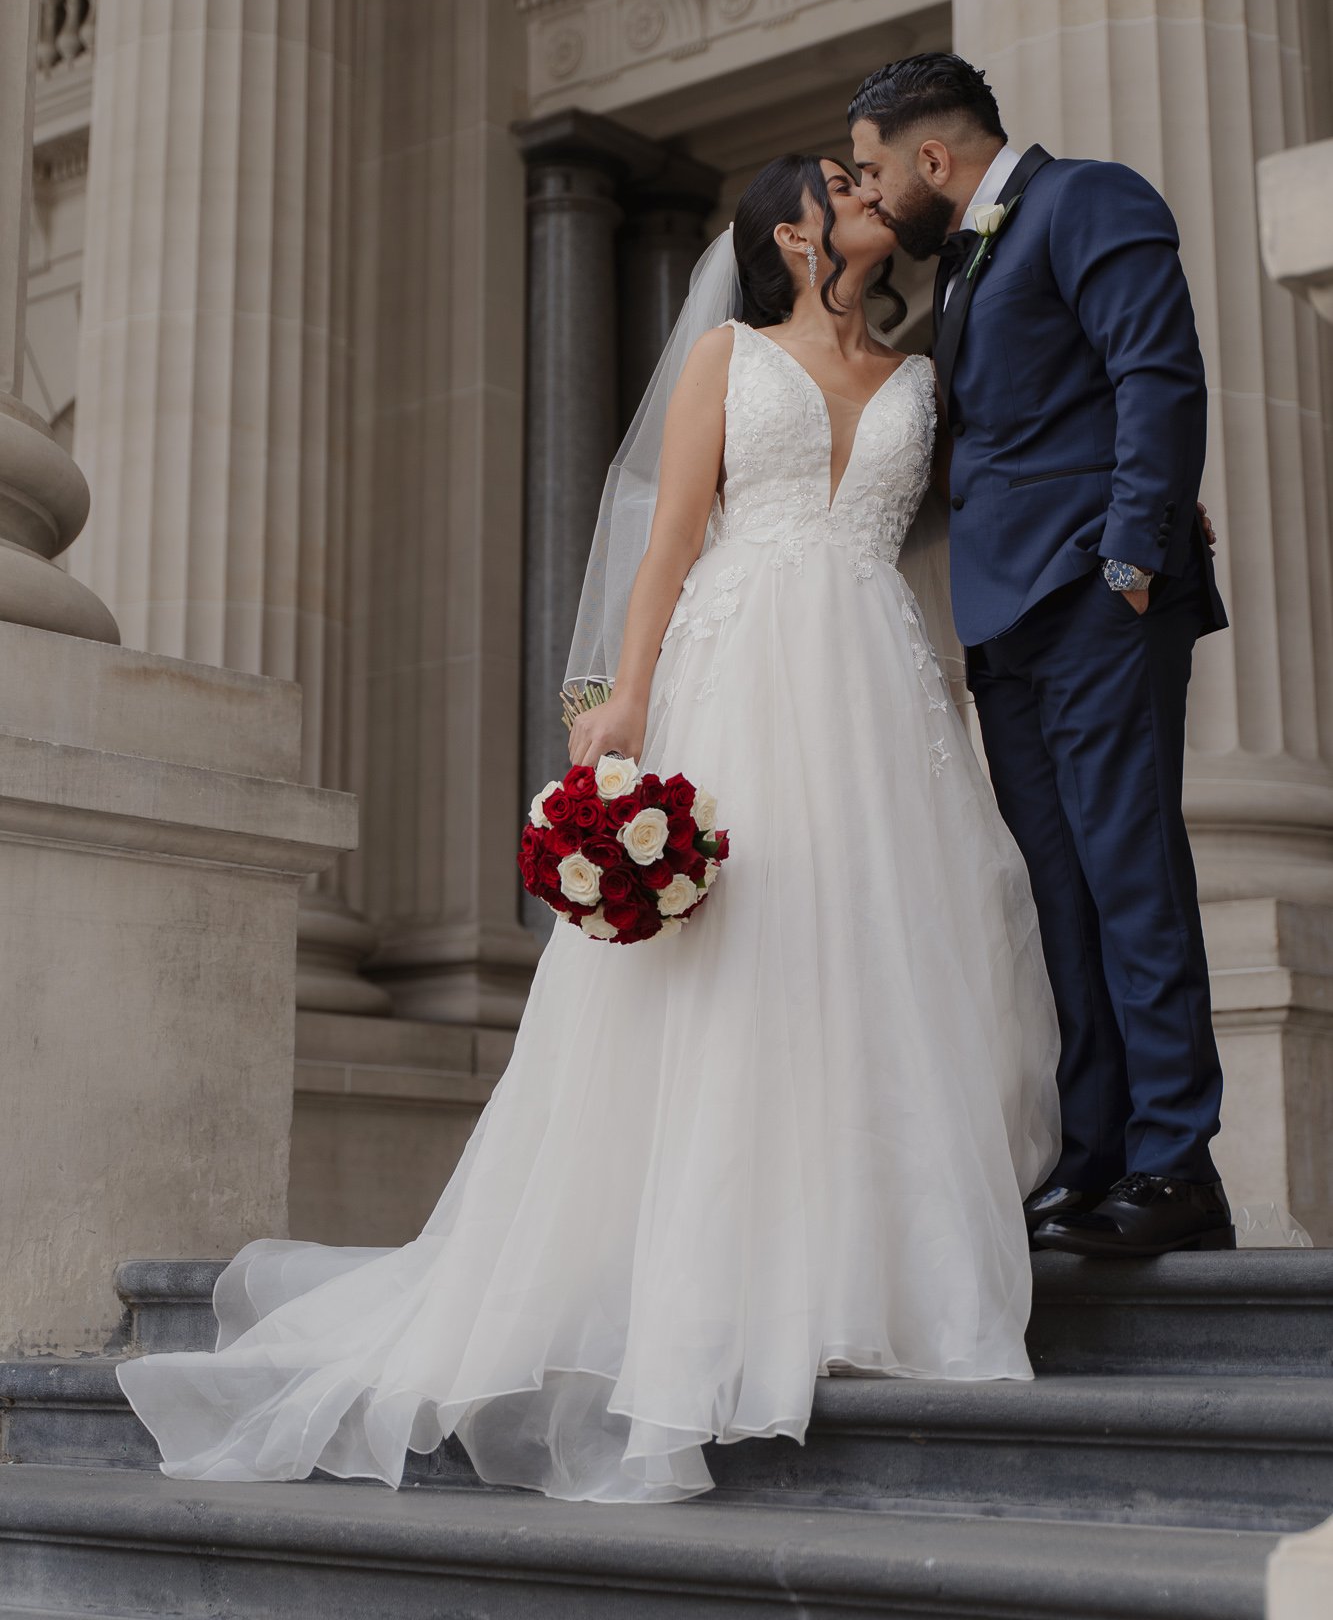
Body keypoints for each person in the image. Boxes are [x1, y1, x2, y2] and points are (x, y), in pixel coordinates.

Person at [117, 155, 1060, 1506]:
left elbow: (966, 525)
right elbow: (668, 539)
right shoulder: (728, 357)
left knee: (878, 957)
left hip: (879, 683)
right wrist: (620, 699)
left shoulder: (923, 375)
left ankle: (874, 1283)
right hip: (741, 673)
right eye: (843, 185)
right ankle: (713, 1295)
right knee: (740, 961)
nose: (867, 193)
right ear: (795, 233)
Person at [849, 53, 1232, 1258]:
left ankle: (1178, 1159)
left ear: (931, 157)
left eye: (871, 169)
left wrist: (1132, 554)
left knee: (1129, 874)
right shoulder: (959, 264)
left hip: (1092, 600)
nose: (868, 191)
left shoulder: (1086, 199)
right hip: (1003, 627)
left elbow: (1156, 373)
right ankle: (1095, 1152)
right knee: (1056, 895)